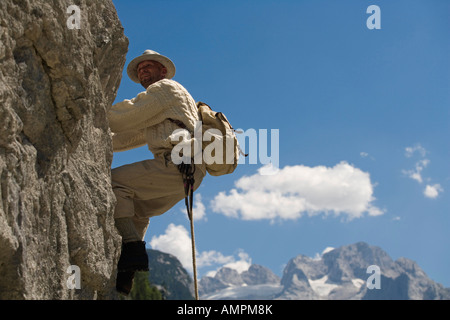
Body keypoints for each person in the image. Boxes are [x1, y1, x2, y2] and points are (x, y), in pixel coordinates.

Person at [107, 50, 206, 295]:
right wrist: (99, 140)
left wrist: (90, 110)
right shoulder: (162, 106)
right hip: (187, 174)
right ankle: (125, 274)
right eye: (140, 68)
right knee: (136, 210)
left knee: (112, 183)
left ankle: (132, 249)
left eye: (148, 66)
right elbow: (130, 136)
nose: (143, 70)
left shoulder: (164, 90)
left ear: (163, 71)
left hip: (176, 166)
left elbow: (121, 118)